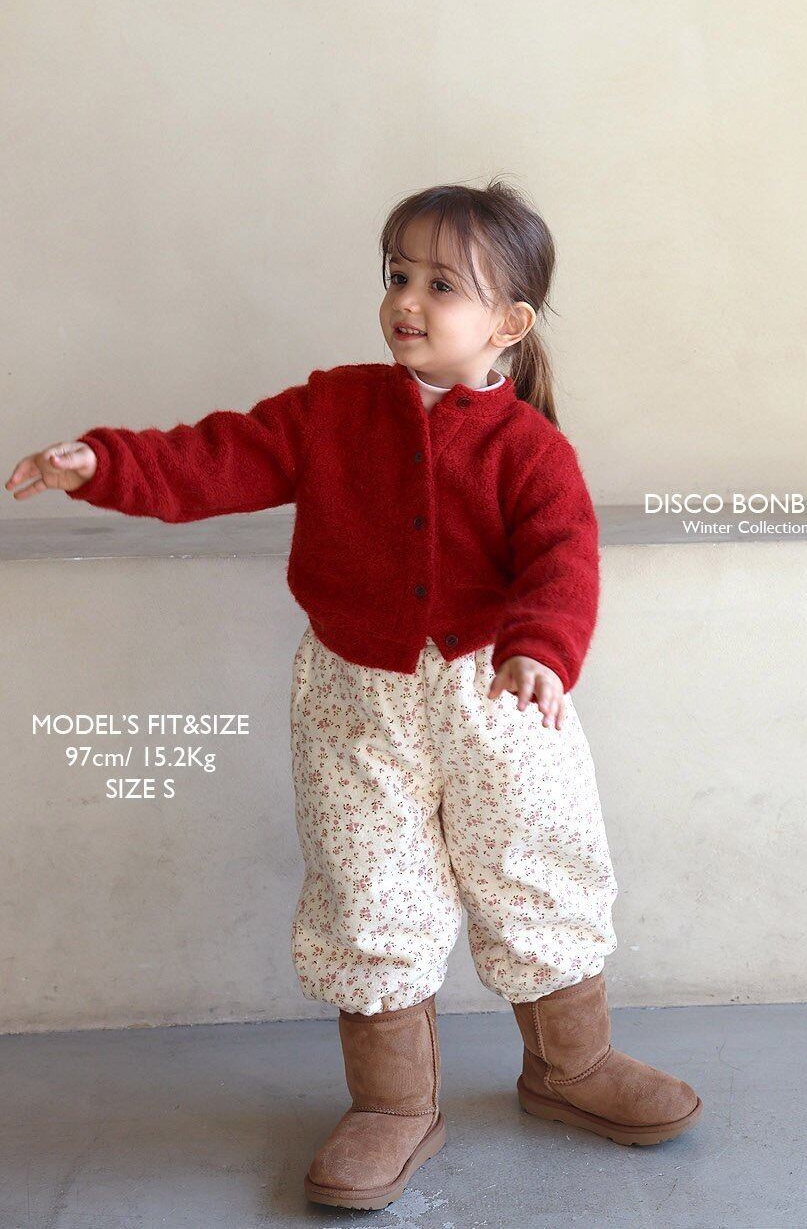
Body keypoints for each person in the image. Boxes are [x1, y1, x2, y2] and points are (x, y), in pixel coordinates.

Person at [6, 179, 702, 1213]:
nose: (406, 300)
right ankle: (392, 1105)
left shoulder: (528, 450)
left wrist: (541, 653)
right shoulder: (332, 408)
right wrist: (104, 463)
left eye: (440, 285)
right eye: (397, 275)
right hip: (353, 701)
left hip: (500, 697)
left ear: (509, 324)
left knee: (536, 866)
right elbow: (215, 458)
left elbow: (565, 559)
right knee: (366, 887)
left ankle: (571, 1066)